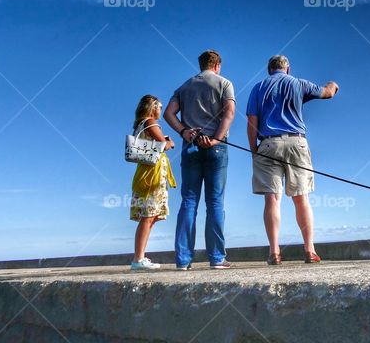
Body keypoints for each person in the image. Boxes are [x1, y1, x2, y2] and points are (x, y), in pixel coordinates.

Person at [247, 55, 339, 265]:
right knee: (301, 198)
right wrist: (333, 85)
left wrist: (254, 151)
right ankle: (309, 251)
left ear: (269, 70)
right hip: (297, 143)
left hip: (268, 144)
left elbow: (252, 121)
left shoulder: (258, 88)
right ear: (287, 69)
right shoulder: (298, 83)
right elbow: (327, 93)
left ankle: (274, 252)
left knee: (272, 199)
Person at [163, 49, 235, 270]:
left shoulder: (185, 86)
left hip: (190, 146)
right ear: (217, 65)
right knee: (214, 203)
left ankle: (183, 260)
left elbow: (168, 113)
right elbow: (229, 113)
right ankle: (216, 259)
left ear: (201, 64)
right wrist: (215, 139)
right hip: (216, 148)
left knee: (189, 202)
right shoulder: (224, 83)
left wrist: (184, 131)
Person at [129, 94, 176, 271]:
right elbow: (163, 144)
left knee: (149, 217)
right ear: (153, 107)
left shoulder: (140, 125)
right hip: (152, 175)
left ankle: (139, 257)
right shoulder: (150, 122)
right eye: (160, 107)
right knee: (148, 217)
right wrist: (169, 142)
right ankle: (138, 258)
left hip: (145, 173)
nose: (160, 111)